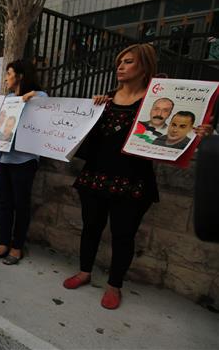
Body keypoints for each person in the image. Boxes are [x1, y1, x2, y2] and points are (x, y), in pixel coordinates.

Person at [64, 44, 213, 310]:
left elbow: (174, 135)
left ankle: (114, 285)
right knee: (90, 228)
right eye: (119, 61)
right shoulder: (106, 99)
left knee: (123, 235)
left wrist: (197, 132)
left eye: (128, 61)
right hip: (95, 177)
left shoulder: (158, 105)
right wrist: (94, 108)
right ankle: (85, 271)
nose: (120, 66)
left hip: (132, 182)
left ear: (144, 67)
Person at [0, 60, 46, 265]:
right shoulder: (8, 98)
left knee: (21, 204)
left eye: (9, 73)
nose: (6, 78)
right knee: (4, 203)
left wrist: (30, 97)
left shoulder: (38, 96)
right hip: (1, 157)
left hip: (23, 160)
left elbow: (46, 106)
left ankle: (17, 246)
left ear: (20, 75)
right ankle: (2, 243)